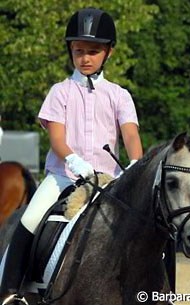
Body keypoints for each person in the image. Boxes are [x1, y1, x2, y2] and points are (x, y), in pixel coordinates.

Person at [0, 8, 143, 303]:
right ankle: (10, 291)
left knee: (149, 225)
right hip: (63, 177)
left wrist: (136, 165)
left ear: (108, 52)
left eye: (93, 51)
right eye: (79, 51)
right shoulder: (59, 92)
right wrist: (73, 160)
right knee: (29, 219)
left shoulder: (119, 95)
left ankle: (157, 290)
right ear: (71, 51)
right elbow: (56, 139)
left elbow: (129, 134)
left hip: (109, 182)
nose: (85, 58)